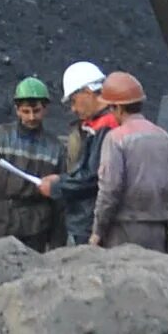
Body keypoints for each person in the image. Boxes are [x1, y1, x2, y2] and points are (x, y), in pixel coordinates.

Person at [88, 70, 168, 252]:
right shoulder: (164, 137)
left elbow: (110, 189)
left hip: (123, 231)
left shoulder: (115, 139)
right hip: (158, 231)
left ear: (118, 108)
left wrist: (98, 231)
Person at [0, 77, 66, 249]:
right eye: (26, 111)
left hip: (36, 230)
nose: (31, 117)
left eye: (36, 111)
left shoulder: (55, 147)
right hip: (0, 226)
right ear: (17, 110)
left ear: (45, 110)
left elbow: (59, 201)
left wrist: (57, 242)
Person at [43, 60, 114, 247]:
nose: (73, 109)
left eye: (74, 101)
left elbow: (92, 177)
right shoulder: (103, 125)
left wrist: (58, 186)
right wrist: (63, 179)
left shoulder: (106, 127)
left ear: (87, 92)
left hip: (91, 222)